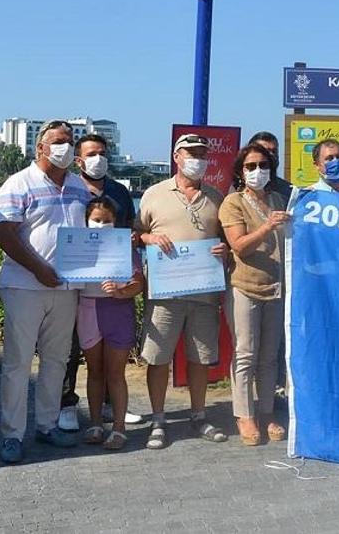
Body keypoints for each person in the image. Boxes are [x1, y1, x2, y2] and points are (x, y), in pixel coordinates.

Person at [0, 120, 92, 464]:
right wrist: (38, 268)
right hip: (24, 286)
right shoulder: (19, 183)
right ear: (40, 148)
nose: (66, 146)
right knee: (18, 363)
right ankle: (12, 435)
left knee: (57, 361)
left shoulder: (80, 187)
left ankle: (47, 426)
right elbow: (2, 232)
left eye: (70, 141)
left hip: (67, 289)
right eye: (59, 141)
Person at [136, 133, 231, 450]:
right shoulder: (153, 194)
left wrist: (224, 251)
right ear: (176, 156)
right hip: (164, 294)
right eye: (191, 153)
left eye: (203, 154)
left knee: (200, 360)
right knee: (158, 357)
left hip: (204, 294)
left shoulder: (218, 197)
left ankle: (199, 414)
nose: (198, 159)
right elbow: (135, 234)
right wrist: (149, 239)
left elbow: (227, 240)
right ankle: (159, 419)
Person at [59, 133, 141, 432]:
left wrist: (131, 240)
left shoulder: (119, 191)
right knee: (71, 349)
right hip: (78, 286)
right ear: (78, 159)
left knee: (110, 362)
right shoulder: (68, 188)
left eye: (102, 152)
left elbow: (129, 229)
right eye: (92, 153)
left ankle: (109, 408)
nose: (98, 158)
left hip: (114, 287)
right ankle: (67, 404)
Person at [220, 144, 289, 445]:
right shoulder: (233, 203)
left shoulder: (277, 199)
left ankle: (267, 411)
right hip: (244, 287)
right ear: (240, 171)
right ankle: (244, 414)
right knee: (246, 354)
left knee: (269, 356)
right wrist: (267, 226)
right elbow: (239, 245)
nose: (257, 171)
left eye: (263, 165)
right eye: (250, 166)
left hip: (275, 288)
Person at [76, 197, 144, 451]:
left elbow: (139, 282)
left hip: (117, 311)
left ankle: (118, 428)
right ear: (86, 221)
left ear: (116, 223)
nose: (102, 224)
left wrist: (121, 290)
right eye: (96, 220)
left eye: (107, 221)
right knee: (94, 372)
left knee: (116, 374)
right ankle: (95, 424)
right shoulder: (77, 246)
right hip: (88, 309)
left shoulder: (124, 247)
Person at [248, 131, 294, 202]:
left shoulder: (288, 190)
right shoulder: (238, 188)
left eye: (274, 151)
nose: (271, 155)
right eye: (266, 151)